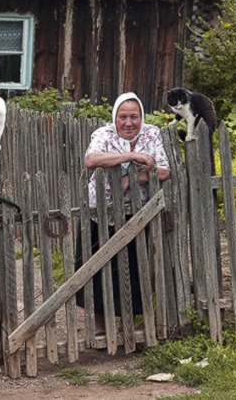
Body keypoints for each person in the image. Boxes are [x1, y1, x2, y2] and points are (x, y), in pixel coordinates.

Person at [75, 92, 171, 335]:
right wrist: (130, 156)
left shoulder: (152, 134)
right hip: (101, 211)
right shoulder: (103, 134)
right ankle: (99, 325)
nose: (129, 122)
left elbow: (164, 171)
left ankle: (127, 322)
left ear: (142, 117)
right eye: (123, 117)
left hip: (135, 214)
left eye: (134, 116)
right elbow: (91, 160)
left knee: (129, 267)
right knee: (98, 266)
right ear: (115, 118)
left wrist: (136, 177)